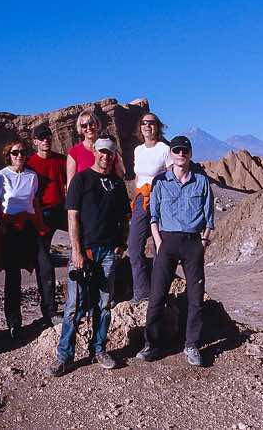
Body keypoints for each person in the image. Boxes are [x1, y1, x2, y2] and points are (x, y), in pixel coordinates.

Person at [47, 136, 131, 377]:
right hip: (85, 251)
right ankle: (64, 356)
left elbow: (125, 217)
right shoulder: (81, 180)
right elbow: (72, 217)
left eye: (110, 153)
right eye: (102, 152)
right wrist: (76, 250)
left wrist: (121, 244)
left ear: (114, 155)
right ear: (95, 151)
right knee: (74, 306)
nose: (106, 156)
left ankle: (99, 349)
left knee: (104, 304)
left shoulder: (116, 184)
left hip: (108, 252)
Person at [136, 136, 215, 366]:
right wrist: (159, 242)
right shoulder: (160, 181)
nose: (181, 154)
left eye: (185, 150)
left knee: (195, 297)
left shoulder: (201, 181)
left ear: (190, 153)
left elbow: (209, 218)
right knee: (157, 295)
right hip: (167, 241)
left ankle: (191, 345)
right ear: (170, 153)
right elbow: (154, 216)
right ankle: (152, 344)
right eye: (176, 150)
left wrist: (203, 242)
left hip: (193, 243)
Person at [0, 138, 46, 339]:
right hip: (10, 228)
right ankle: (14, 322)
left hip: (30, 226)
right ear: (9, 155)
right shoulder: (1, 175)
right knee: (13, 275)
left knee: (43, 267)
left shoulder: (32, 176)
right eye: (15, 153)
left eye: (23, 152)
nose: (19, 156)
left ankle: (48, 313)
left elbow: (34, 201)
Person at [127, 113, 171, 304]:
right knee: (134, 246)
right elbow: (138, 177)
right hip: (140, 201)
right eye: (144, 123)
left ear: (157, 126)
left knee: (159, 247)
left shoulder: (165, 149)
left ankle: (158, 290)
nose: (147, 126)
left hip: (160, 200)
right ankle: (141, 292)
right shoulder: (138, 150)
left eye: (151, 123)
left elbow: (172, 177)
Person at [26, 122, 65, 327]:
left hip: (62, 210)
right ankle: (49, 311)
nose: (46, 140)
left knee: (86, 243)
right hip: (42, 214)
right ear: (35, 142)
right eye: (41, 137)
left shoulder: (61, 160)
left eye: (48, 136)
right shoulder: (30, 163)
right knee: (44, 263)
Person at [66, 109, 125, 188]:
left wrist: (116, 156)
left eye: (91, 123)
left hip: (108, 194)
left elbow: (120, 175)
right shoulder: (74, 152)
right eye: (84, 126)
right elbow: (71, 183)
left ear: (97, 124)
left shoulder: (109, 147)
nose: (88, 127)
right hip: (86, 197)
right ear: (80, 128)